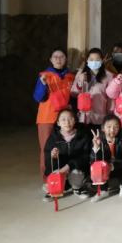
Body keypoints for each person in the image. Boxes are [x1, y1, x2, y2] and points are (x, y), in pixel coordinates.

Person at [34, 47, 76, 190]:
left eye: (62, 57)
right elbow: (38, 97)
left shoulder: (70, 77)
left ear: (65, 59)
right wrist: (43, 85)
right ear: (51, 59)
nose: (59, 59)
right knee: (47, 150)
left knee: (65, 149)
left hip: (65, 120)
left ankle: (63, 178)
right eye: (55, 57)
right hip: (47, 118)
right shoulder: (44, 76)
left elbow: (73, 98)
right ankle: (47, 180)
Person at [42, 109, 90, 203]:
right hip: (59, 169)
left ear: (75, 121)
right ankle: (56, 189)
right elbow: (47, 163)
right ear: (58, 123)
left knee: (77, 172)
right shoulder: (52, 140)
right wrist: (53, 157)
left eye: (70, 118)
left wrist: (69, 166)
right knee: (54, 174)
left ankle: (77, 187)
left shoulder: (83, 137)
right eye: (63, 119)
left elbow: (85, 157)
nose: (67, 122)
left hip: (75, 169)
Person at [90, 115, 122, 202]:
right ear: (103, 128)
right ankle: (103, 190)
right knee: (98, 167)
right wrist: (96, 147)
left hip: (118, 166)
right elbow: (93, 161)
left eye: (115, 127)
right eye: (109, 127)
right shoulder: (98, 139)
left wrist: (112, 166)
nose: (112, 130)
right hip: (105, 168)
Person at [71, 48, 114, 130]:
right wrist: (79, 82)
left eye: (97, 60)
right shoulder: (80, 73)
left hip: (99, 116)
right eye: (91, 59)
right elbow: (73, 94)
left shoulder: (108, 76)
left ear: (102, 60)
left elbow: (110, 99)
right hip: (83, 116)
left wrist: (110, 115)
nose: (94, 62)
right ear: (87, 60)